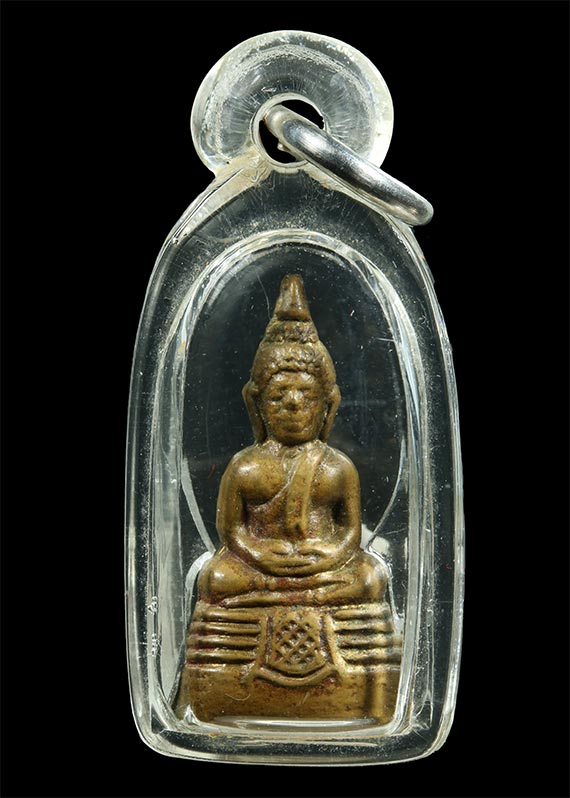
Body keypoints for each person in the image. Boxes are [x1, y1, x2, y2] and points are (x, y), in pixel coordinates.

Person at [197, 273, 388, 607]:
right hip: (260, 565)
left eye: (307, 396)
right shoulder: (245, 467)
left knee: (370, 578)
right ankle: (305, 596)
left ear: (329, 405)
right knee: (216, 577)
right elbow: (231, 532)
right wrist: (261, 556)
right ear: (255, 403)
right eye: (278, 396)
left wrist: (330, 556)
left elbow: (350, 534)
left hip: (321, 565)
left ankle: (289, 595)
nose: (293, 405)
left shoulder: (338, 467)